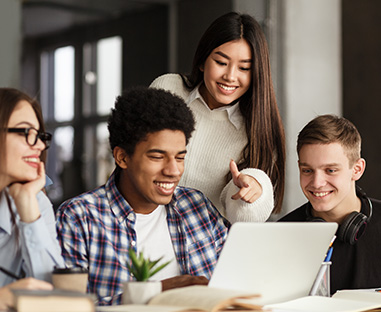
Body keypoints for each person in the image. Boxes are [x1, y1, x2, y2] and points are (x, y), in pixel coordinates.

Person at [56, 87, 230, 305]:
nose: (173, 171)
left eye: (179, 157)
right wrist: (157, 292)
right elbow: (66, 307)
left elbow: (235, 283)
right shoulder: (79, 217)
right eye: (157, 157)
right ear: (122, 157)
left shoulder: (197, 207)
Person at [150, 12, 286, 223]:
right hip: (142, 228)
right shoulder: (168, 89)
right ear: (203, 61)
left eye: (244, 68)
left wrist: (252, 193)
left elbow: (243, 219)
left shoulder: (257, 129)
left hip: (202, 245)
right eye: (221, 62)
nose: (230, 76)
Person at [279, 114, 381, 294]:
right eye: (307, 170)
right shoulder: (281, 234)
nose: (317, 182)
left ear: (357, 169)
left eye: (330, 170)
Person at [0, 88, 64, 309]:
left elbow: (56, 299)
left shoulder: (35, 202)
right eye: (26, 132)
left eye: (40, 135)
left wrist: (28, 209)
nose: (40, 146)